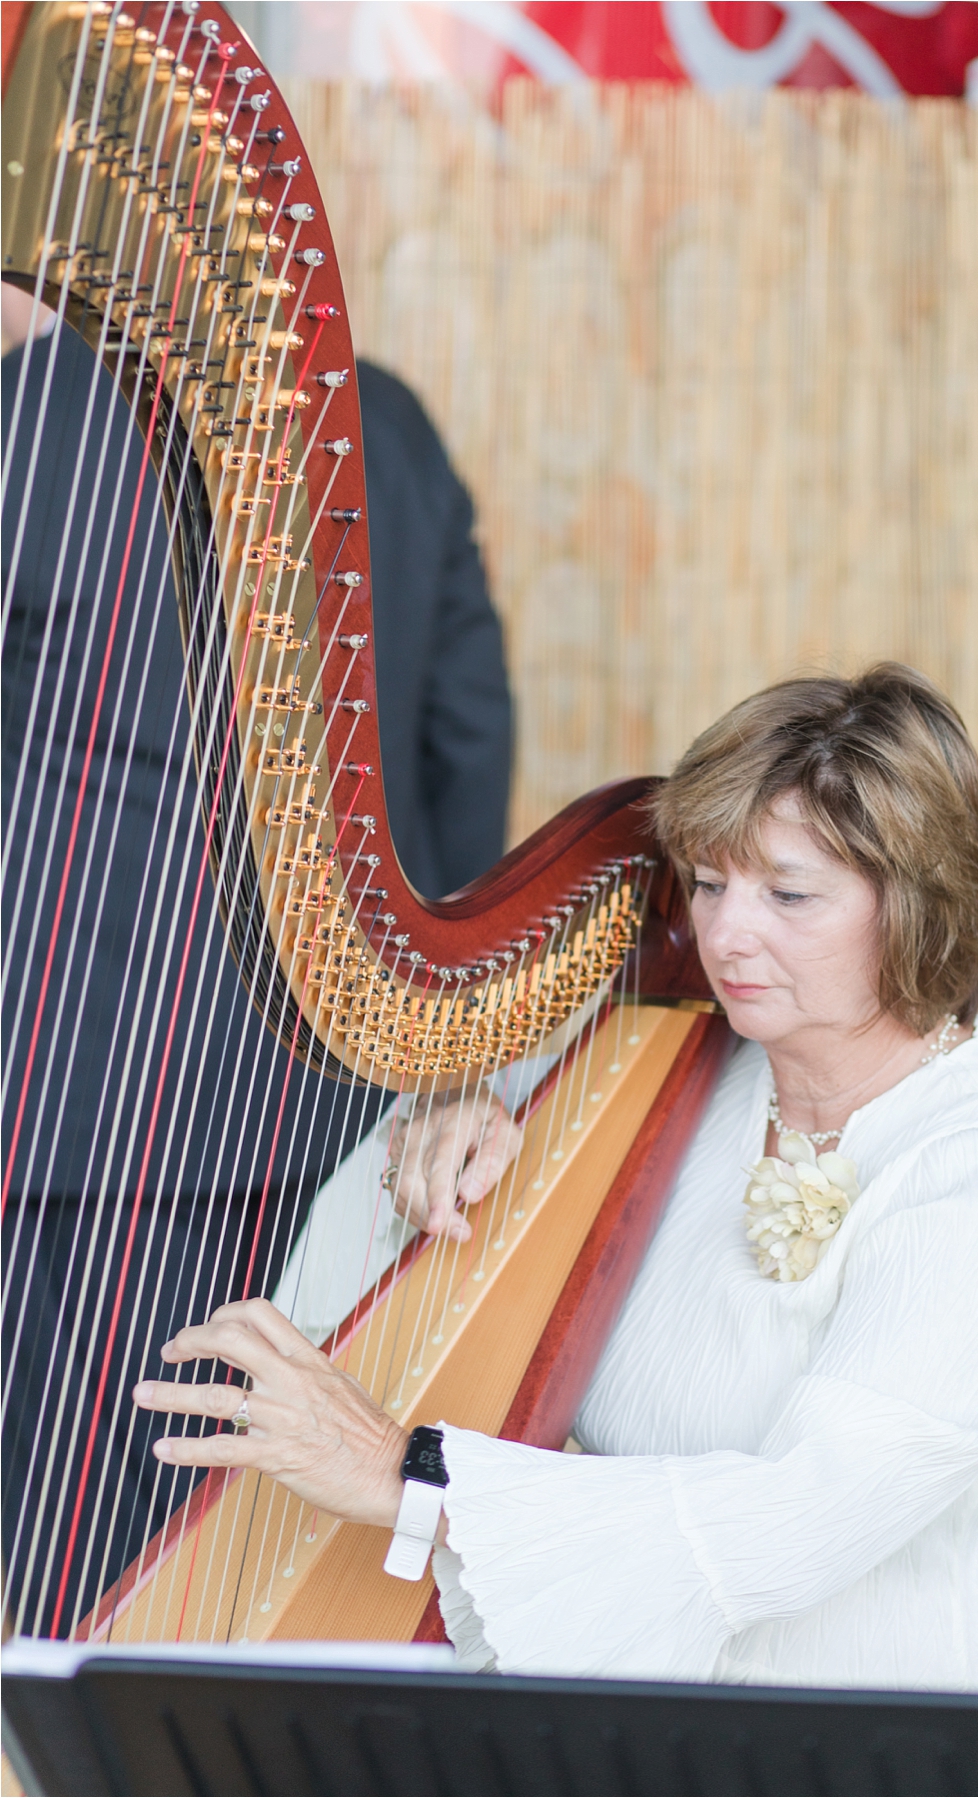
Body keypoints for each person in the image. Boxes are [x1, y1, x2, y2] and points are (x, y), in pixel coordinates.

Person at [132, 665, 978, 1723]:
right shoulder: (667, 1074)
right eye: (705, 881)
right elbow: (338, 1311)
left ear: (919, 905)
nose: (725, 935)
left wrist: (402, 1468)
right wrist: (426, 1166)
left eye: (787, 894)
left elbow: (791, 1524)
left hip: (877, 1757)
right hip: (634, 1727)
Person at [1, 286, 512, 1632]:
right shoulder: (383, 427)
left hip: (49, 1114)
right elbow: (466, 773)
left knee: (43, 1570)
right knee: (223, 1562)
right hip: (332, 1128)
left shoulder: (20, 419)